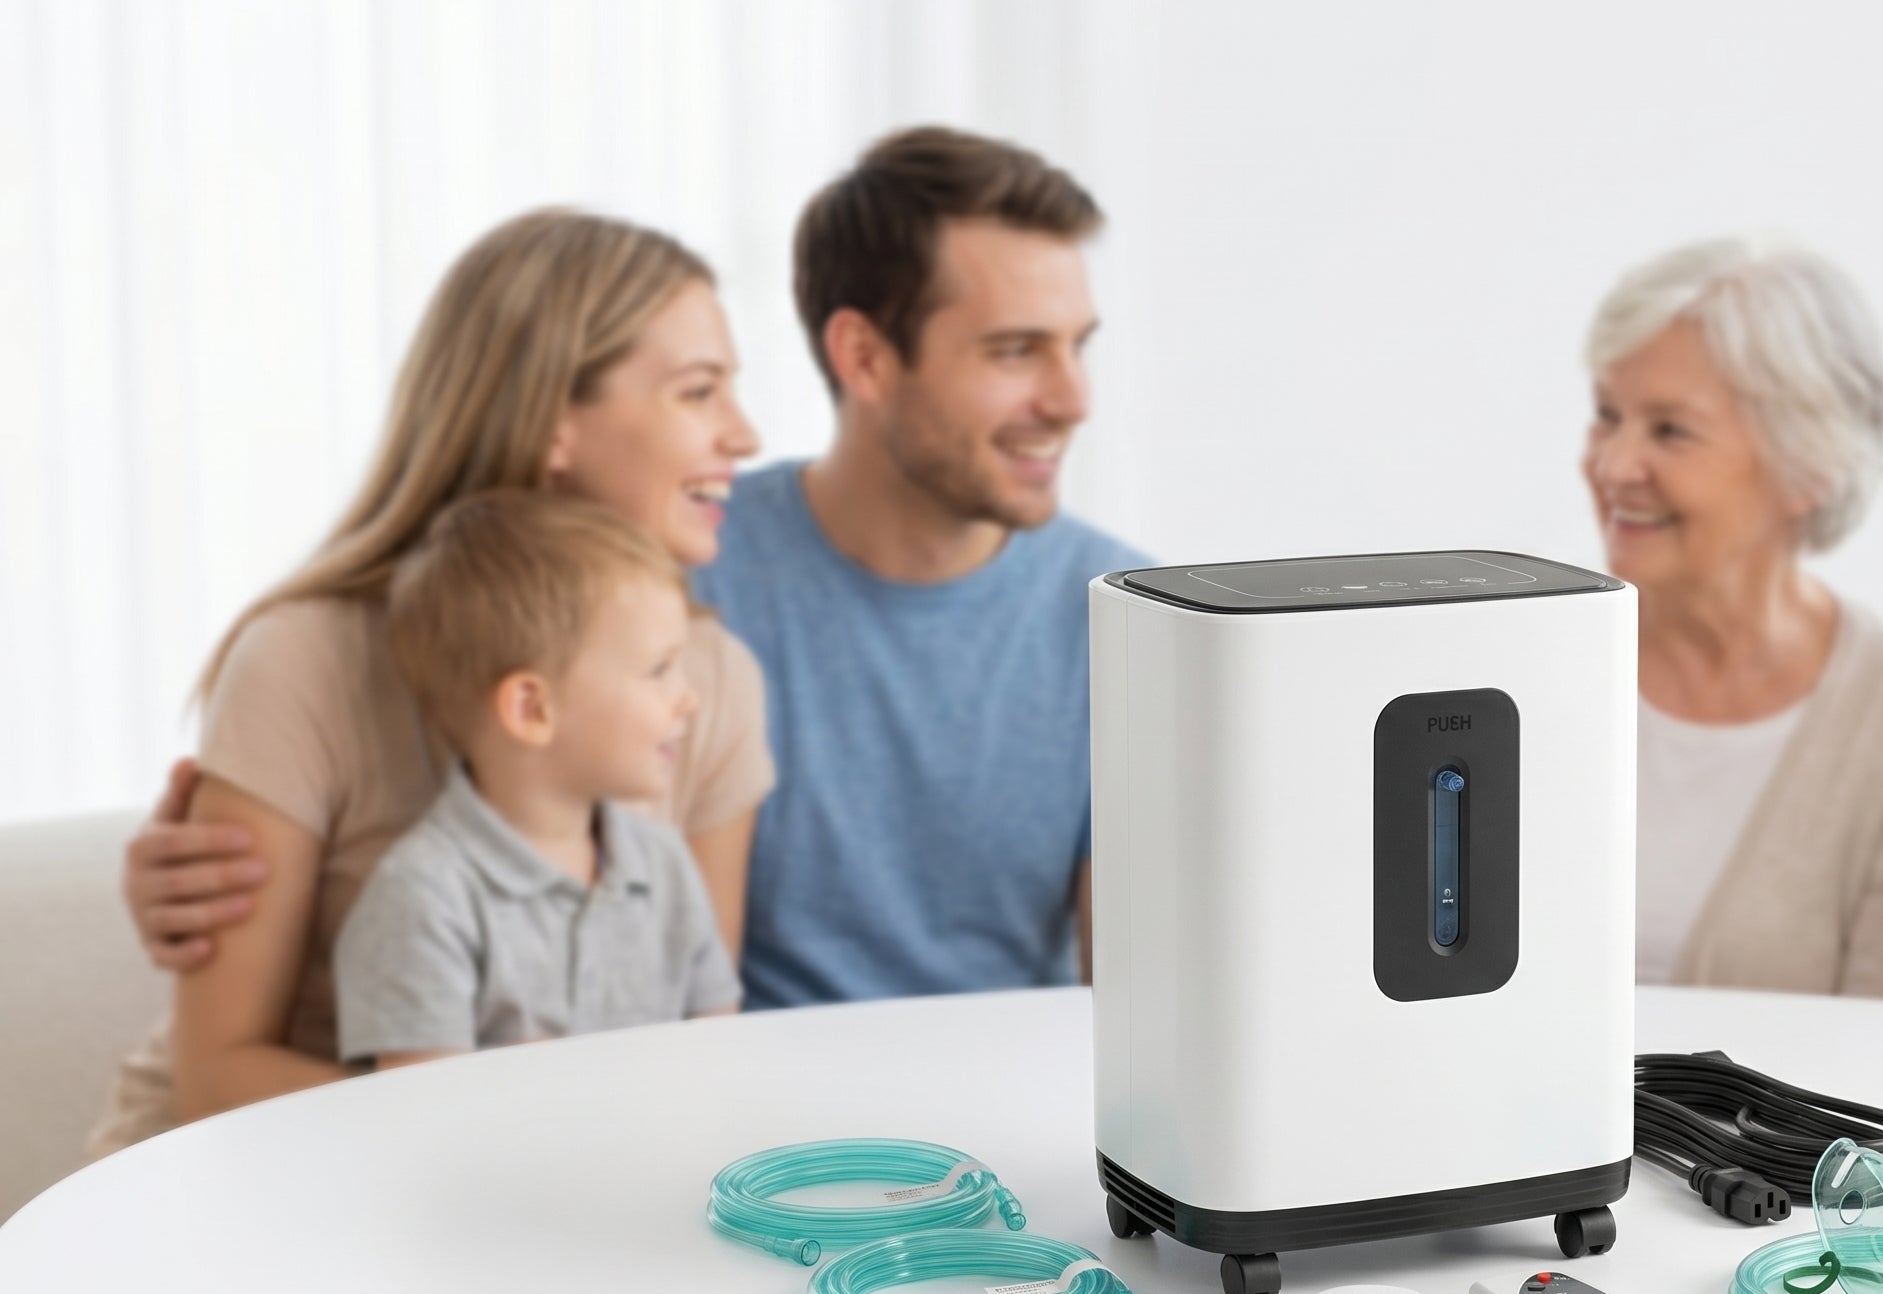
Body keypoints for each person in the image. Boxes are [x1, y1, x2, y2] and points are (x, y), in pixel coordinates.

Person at [97, 210, 770, 1151]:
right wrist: (509, 1139)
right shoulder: (305, 661)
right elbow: (217, 1079)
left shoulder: (711, 679)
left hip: (541, 1183)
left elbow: (690, 1041)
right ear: (553, 421)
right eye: (699, 391)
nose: (745, 434)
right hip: (260, 1170)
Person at [695, 126, 1145, 1007]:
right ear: (864, 357)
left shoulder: (1131, 624)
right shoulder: (688, 578)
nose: (1072, 400)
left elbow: (1138, 1019)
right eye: (1016, 350)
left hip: (1016, 1092)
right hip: (751, 1087)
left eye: (1077, 346)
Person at [1582, 236, 1883, 1002]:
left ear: (1809, 467)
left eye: (1670, 430)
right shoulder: (1529, 676)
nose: (1614, 466)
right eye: (1607, 417)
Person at [333, 493, 739, 1067]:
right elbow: (422, 1114)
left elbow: (720, 1063)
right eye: (658, 670)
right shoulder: (423, 899)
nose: (688, 698)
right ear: (532, 709)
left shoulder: (666, 864)